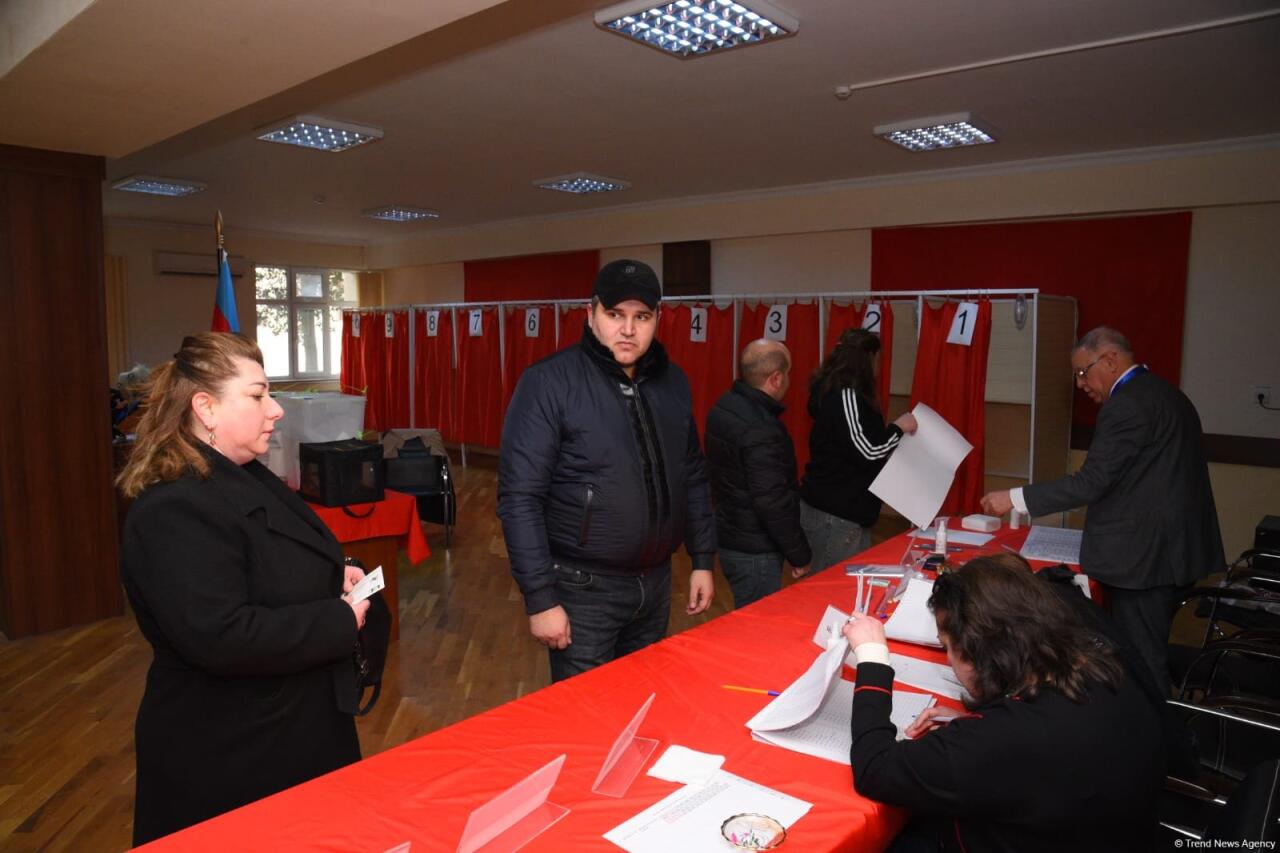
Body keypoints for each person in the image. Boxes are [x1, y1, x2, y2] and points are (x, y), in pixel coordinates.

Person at [117, 333, 371, 844]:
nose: (275, 410)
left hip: (289, 728)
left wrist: (330, 571)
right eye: (257, 396)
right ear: (205, 408)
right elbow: (220, 634)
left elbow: (268, 558)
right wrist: (340, 621)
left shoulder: (245, 474)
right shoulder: (174, 508)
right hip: (231, 753)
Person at [842, 554, 1165, 853]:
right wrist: (973, 727)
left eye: (947, 647)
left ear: (977, 654)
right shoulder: (1100, 667)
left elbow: (876, 768)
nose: (950, 659)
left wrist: (873, 658)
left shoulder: (1001, 739)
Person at [498, 259, 717, 682]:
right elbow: (519, 498)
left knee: (641, 704)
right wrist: (541, 600)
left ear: (658, 319)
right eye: (615, 315)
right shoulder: (548, 383)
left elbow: (692, 475)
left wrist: (703, 559)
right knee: (586, 722)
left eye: (642, 317)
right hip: (583, 591)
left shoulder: (674, 383)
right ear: (590, 313)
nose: (629, 330)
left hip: (655, 585)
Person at [981, 326, 1224, 693]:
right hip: (1173, 550)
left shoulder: (1126, 405)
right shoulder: (1166, 394)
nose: (1081, 384)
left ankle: (1158, 741)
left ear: (1110, 359)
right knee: (1144, 649)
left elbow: (1092, 481)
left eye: (1083, 372)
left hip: (1145, 559)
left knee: (1142, 660)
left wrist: (1014, 498)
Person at [704, 339, 811, 607]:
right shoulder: (761, 428)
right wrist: (799, 554)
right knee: (756, 630)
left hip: (730, 536)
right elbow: (771, 500)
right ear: (775, 378)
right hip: (755, 550)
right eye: (788, 374)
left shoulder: (725, 405)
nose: (789, 380)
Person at [800, 328, 917, 572]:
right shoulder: (846, 396)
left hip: (839, 511)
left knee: (834, 586)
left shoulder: (836, 392)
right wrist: (898, 428)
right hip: (837, 514)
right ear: (866, 359)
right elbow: (868, 451)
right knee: (832, 589)